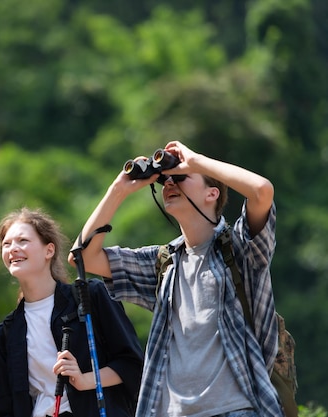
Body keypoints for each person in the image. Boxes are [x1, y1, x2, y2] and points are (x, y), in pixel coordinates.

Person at [69, 140, 283, 416]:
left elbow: (262, 191)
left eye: (179, 177)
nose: (169, 184)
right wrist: (118, 190)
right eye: (166, 181)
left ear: (212, 194)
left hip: (236, 409)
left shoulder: (241, 250)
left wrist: (195, 160)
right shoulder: (164, 263)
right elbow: (82, 257)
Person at [0, 207, 143, 417]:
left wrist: (84, 380)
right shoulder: (6, 332)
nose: (13, 249)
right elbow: (3, 408)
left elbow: (133, 364)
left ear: (49, 250)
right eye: (7, 244)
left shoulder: (90, 296)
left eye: (23, 241)